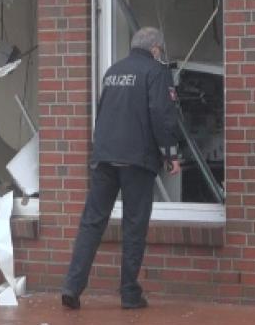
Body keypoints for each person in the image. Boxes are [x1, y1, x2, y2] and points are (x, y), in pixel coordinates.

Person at [61, 27, 182, 310]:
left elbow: (103, 111)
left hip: (105, 156)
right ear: (155, 49)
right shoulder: (156, 71)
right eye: (160, 52)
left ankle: (72, 285)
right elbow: (162, 114)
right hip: (137, 159)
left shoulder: (113, 71)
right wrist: (171, 153)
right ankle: (129, 293)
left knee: (92, 223)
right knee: (134, 226)